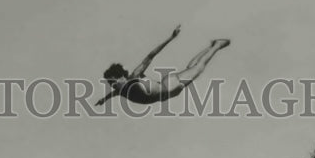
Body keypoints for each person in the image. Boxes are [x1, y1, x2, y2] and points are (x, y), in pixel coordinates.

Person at [96, 24, 230, 107]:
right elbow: (113, 94)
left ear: (121, 78)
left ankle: (217, 45)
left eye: (113, 81)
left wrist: (171, 37)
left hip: (170, 87)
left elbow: (151, 55)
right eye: (110, 83)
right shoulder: (120, 90)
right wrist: (103, 99)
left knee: (198, 68)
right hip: (166, 87)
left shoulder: (134, 76)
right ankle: (210, 46)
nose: (112, 85)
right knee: (191, 69)